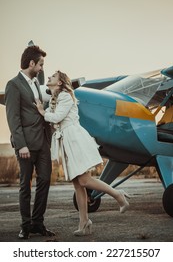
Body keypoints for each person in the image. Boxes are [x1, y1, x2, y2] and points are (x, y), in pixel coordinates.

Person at [35, 70, 130, 236]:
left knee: (84, 180)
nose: (49, 77)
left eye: (53, 76)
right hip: (67, 141)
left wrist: (43, 112)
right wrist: (47, 112)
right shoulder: (54, 99)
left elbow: (57, 117)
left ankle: (118, 195)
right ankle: (84, 223)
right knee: (78, 184)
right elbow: (55, 121)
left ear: (59, 83)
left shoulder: (64, 95)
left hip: (74, 139)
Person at [5, 45, 55, 239]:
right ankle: (25, 226)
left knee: (45, 181)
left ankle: (38, 223)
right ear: (31, 63)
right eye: (41, 64)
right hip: (26, 144)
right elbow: (13, 118)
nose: (42, 68)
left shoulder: (35, 83)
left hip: (43, 142)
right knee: (25, 185)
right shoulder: (13, 85)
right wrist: (21, 144)